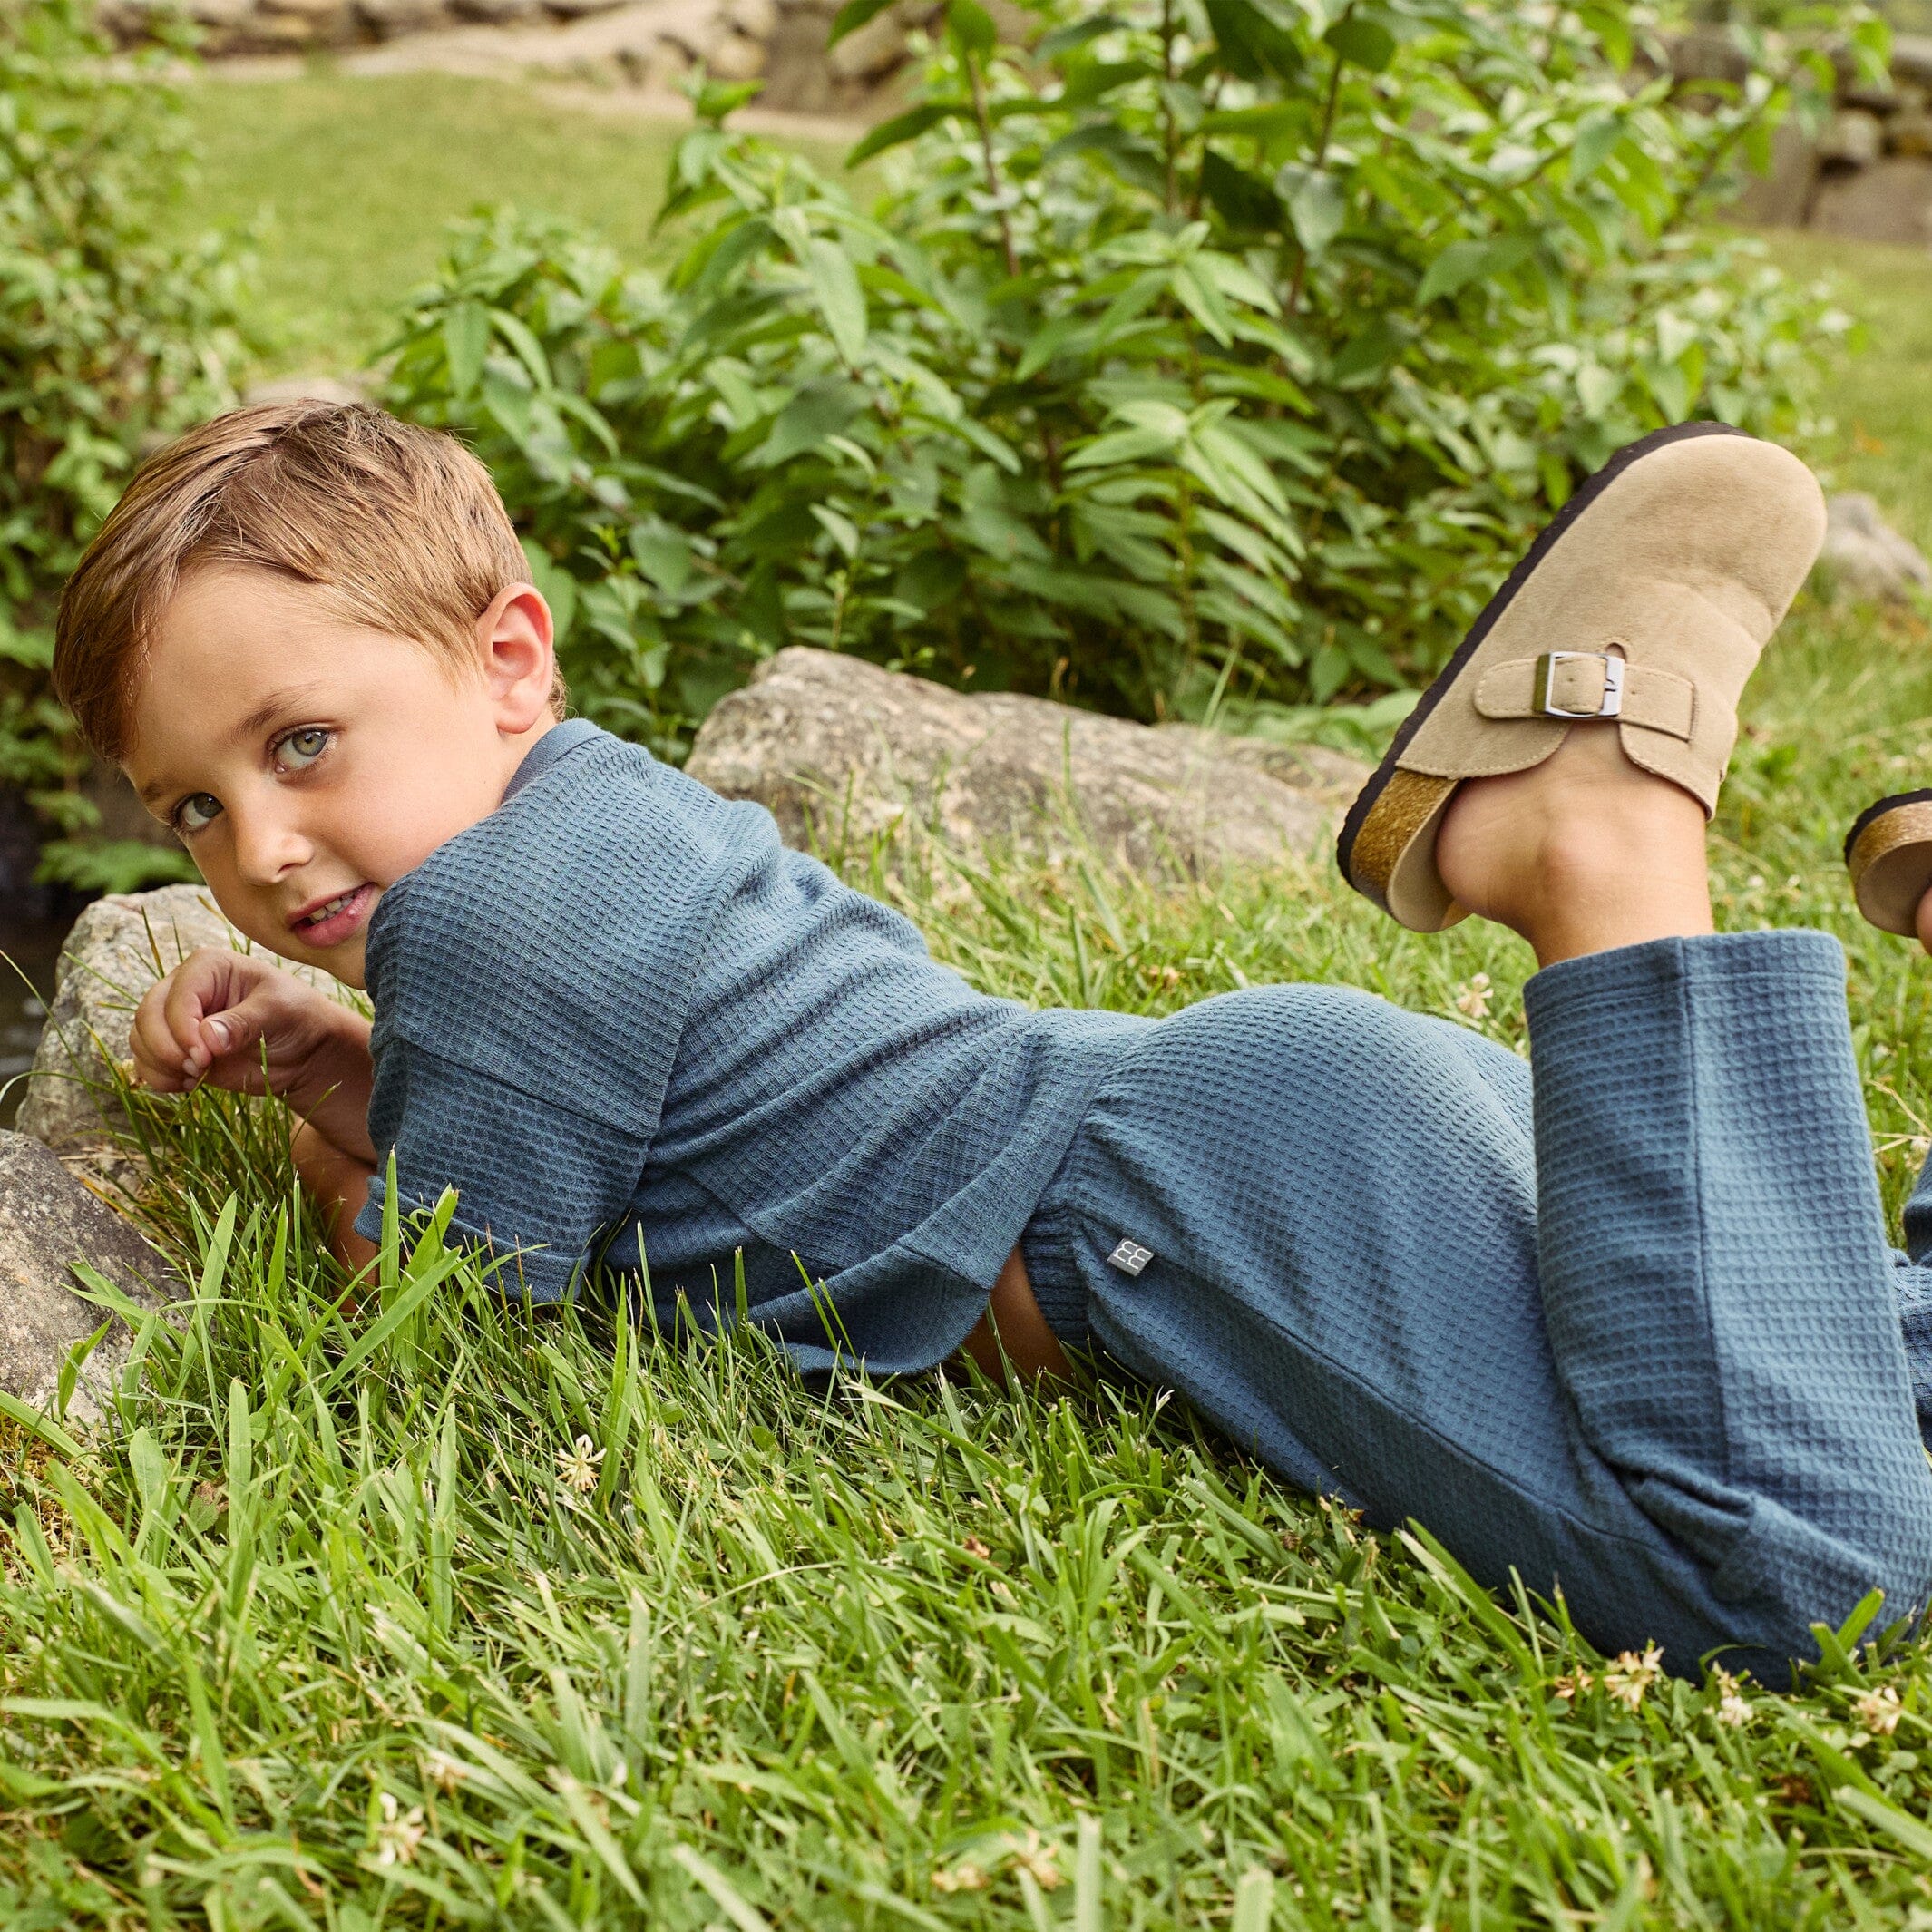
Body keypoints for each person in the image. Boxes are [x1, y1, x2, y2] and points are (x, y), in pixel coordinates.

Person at [54, 402, 1932, 1687]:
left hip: (1192, 1198)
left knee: (1795, 1583)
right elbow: (598, 1134)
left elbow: (439, 1324)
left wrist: (325, 1165)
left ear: (509, 663)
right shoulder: (597, 822)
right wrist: (341, 1068)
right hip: (1267, 1119)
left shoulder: (491, 919)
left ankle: (1593, 830)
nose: (262, 846)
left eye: (298, 745)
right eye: (193, 811)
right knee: (1818, 1382)